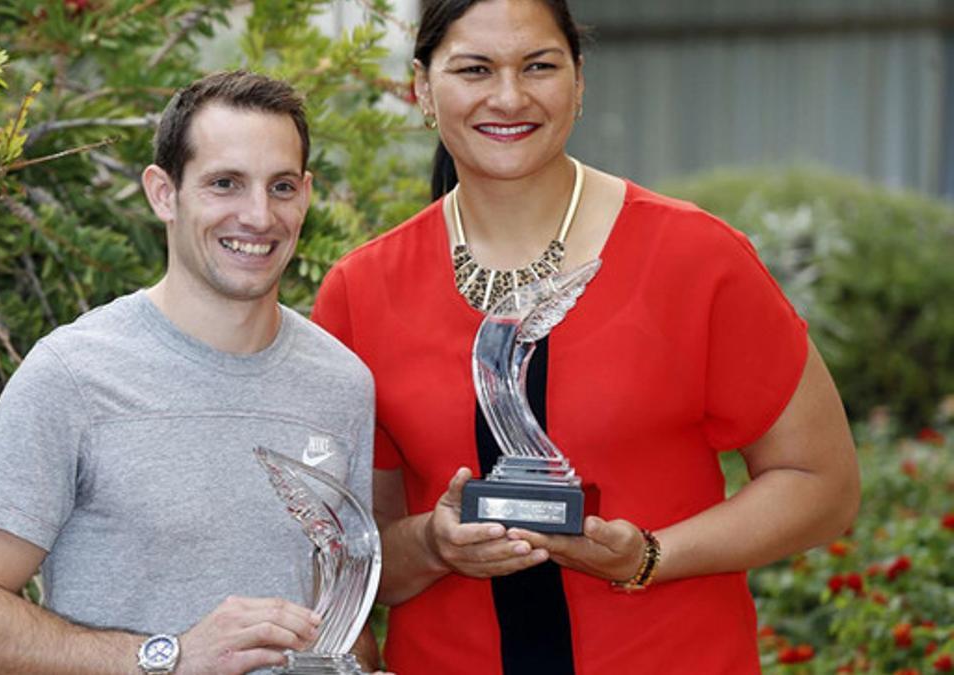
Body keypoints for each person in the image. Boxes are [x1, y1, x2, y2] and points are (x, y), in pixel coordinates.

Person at [310, 1, 860, 673]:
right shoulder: (362, 291)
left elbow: (822, 484)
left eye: (539, 66)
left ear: (579, 81)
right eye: (474, 70)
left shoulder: (695, 257)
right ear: (422, 88)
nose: (509, 96)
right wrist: (432, 543)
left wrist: (649, 555)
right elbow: (351, 561)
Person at [0, 71, 381, 675]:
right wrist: (168, 658)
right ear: (164, 193)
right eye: (225, 184)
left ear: (308, 194)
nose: (259, 215)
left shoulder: (341, 384)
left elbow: (342, 614)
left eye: (282, 186)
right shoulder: (74, 374)